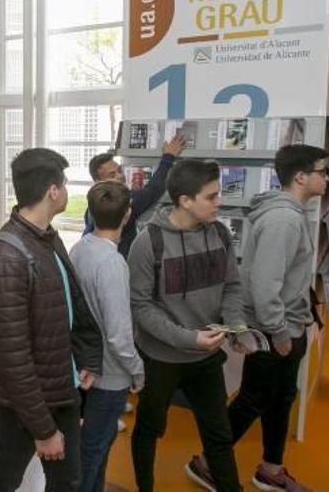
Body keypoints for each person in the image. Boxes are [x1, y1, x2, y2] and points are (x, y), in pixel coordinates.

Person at [185, 145, 329, 492]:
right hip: (273, 331)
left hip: (287, 326)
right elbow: (265, 286)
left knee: (281, 397)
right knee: (253, 399)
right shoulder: (283, 220)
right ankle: (206, 462)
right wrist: (279, 334)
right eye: (322, 172)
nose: (326, 178)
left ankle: (271, 468)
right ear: (301, 176)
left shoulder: (290, 214)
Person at [0, 148, 103, 492]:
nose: (67, 191)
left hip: (59, 388)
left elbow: (69, 307)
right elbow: (12, 356)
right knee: (4, 479)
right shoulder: (6, 257)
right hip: (21, 403)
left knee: (68, 483)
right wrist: (43, 430)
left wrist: (86, 358)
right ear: (52, 191)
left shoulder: (47, 238)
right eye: (65, 184)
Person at [127, 159, 244, 492]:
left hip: (206, 359)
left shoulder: (220, 233)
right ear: (185, 201)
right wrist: (189, 338)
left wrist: (235, 324)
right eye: (211, 196)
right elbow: (141, 307)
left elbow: (233, 286)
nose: (219, 202)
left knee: (219, 436)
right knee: (149, 429)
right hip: (162, 359)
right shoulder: (148, 243)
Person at [69, 180, 144, 492]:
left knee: (90, 449)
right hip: (110, 374)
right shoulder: (113, 262)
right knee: (95, 450)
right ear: (127, 215)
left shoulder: (79, 248)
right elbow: (118, 335)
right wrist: (137, 371)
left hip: (83, 366)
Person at [85, 134, 187, 257]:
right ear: (98, 182)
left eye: (120, 170)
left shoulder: (93, 205)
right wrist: (168, 157)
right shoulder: (121, 204)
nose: (120, 176)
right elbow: (153, 190)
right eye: (112, 175)